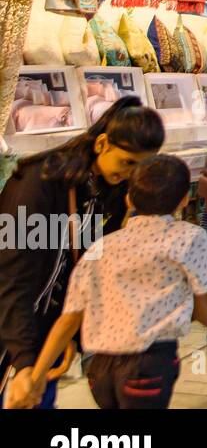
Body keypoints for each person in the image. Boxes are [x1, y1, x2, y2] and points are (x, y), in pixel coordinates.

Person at [9, 155, 207, 410]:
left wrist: (35, 377)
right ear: (184, 199)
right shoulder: (189, 237)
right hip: (149, 365)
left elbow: (69, 319)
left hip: (98, 370)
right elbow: (204, 308)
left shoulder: (101, 246)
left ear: (128, 198)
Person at [0, 98, 165, 409]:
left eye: (140, 167)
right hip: (11, 324)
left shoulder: (107, 189)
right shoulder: (39, 183)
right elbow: (13, 278)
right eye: (128, 162)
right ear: (102, 143)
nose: (131, 174)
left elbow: (88, 270)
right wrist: (23, 361)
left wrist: (68, 339)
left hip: (41, 332)